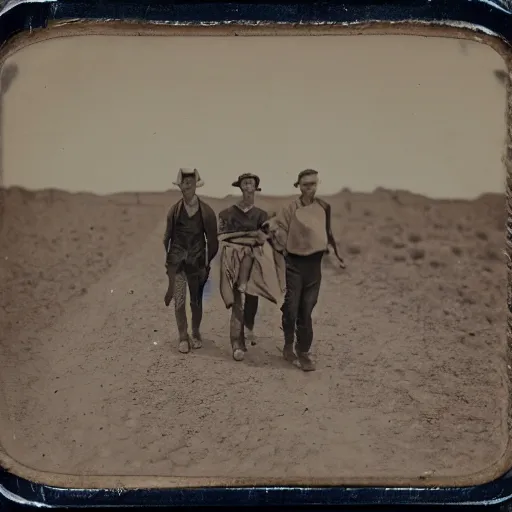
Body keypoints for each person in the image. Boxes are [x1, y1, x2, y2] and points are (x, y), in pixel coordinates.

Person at [265, 169, 345, 371]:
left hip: (314, 265)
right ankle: (288, 345)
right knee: (292, 306)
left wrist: (336, 253)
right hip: (294, 264)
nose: (310, 188)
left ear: (317, 184)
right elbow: (276, 228)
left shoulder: (323, 207)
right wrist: (281, 248)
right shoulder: (290, 208)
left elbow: (327, 232)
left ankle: (303, 352)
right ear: (298, 186)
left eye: (313, 184)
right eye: (305, 184)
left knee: (307, 308)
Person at [217, 173, 284, 362]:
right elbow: (223, 237)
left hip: (255, 259)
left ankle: (248, 330)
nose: (248, 186)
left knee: (253, 297)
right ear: (240, 187)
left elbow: (263, 238)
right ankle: (236, 344)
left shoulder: (261, 214)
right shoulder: (228, 213)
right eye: (245, 183)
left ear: (256, 188)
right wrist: (249, 237)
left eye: (251, 183)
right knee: (237, 299)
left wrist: (253, 238)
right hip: (232, 257)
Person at [163, 168, 218, 354]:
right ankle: (183, 336)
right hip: (178, 264)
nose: (187, 187)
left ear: (196, 186)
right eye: (183, 183)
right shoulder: (174, 211)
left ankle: (195, 332)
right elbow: (167, 238)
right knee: (179, 300)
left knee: (196, 301)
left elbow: (213, 240)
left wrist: (207, 263)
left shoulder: (207, 212)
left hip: (197, 263)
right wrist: (170, 262)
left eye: (190, 183)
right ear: (179, 186)